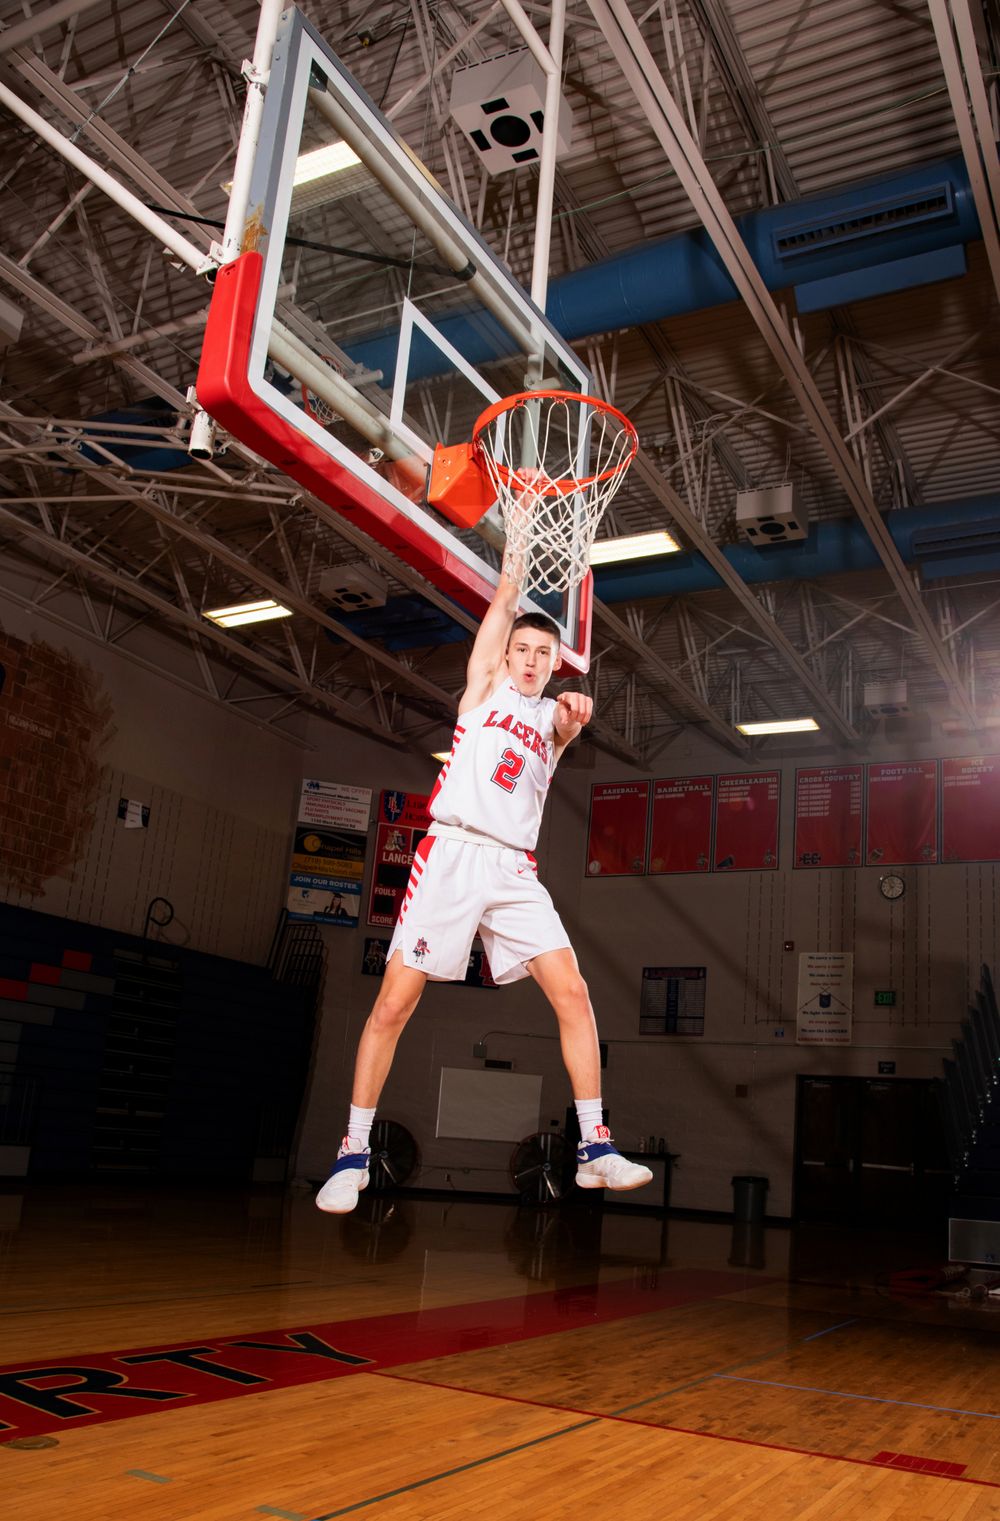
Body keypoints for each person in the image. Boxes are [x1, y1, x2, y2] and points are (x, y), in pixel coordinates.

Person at [316, 564, 652, 1213]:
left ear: (556, 664)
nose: (530, 659)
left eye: (543, 654)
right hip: (452, 854)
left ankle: (594, 1147)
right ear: (505, 656)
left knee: (574, 992)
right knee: (393, 1005)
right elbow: (502, 601)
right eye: (522, 649)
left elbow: (567, 721)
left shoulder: (554, 715)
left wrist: (577, 711)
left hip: (513, 869)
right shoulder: (484, 695)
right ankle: (352, 1152)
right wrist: (519, 544)